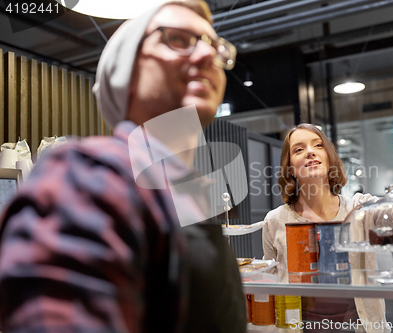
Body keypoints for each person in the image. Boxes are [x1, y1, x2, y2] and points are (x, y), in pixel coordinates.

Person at [0, 1, 246, 332]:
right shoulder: (89, 172)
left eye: (213, 46)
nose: (205, 55)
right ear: (126, 72)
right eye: (178, 38)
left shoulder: (188, 191)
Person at [262, 97, 393, 332]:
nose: (310, 152)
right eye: (299, 149)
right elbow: (273, 291)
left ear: (329, 157)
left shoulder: (359, 209)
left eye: (318, 145)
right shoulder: (275, 221)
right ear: (290, 168)